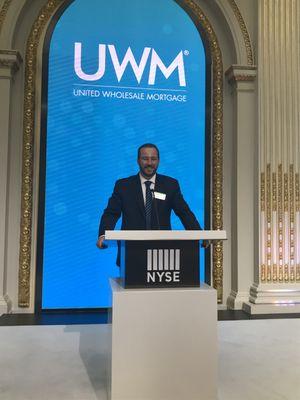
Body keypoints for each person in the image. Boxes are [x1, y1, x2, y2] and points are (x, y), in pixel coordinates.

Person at [97, 143, 201, 254]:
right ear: (138, 161)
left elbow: (184, 212)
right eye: (145, 159)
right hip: (131, 252)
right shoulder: (123, 186)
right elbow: (111, 213)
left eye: (153, 159)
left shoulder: (170, 185)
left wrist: (199, 234)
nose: (149, 163)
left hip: (162, 252)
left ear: (159, 161)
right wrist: (103, 235)